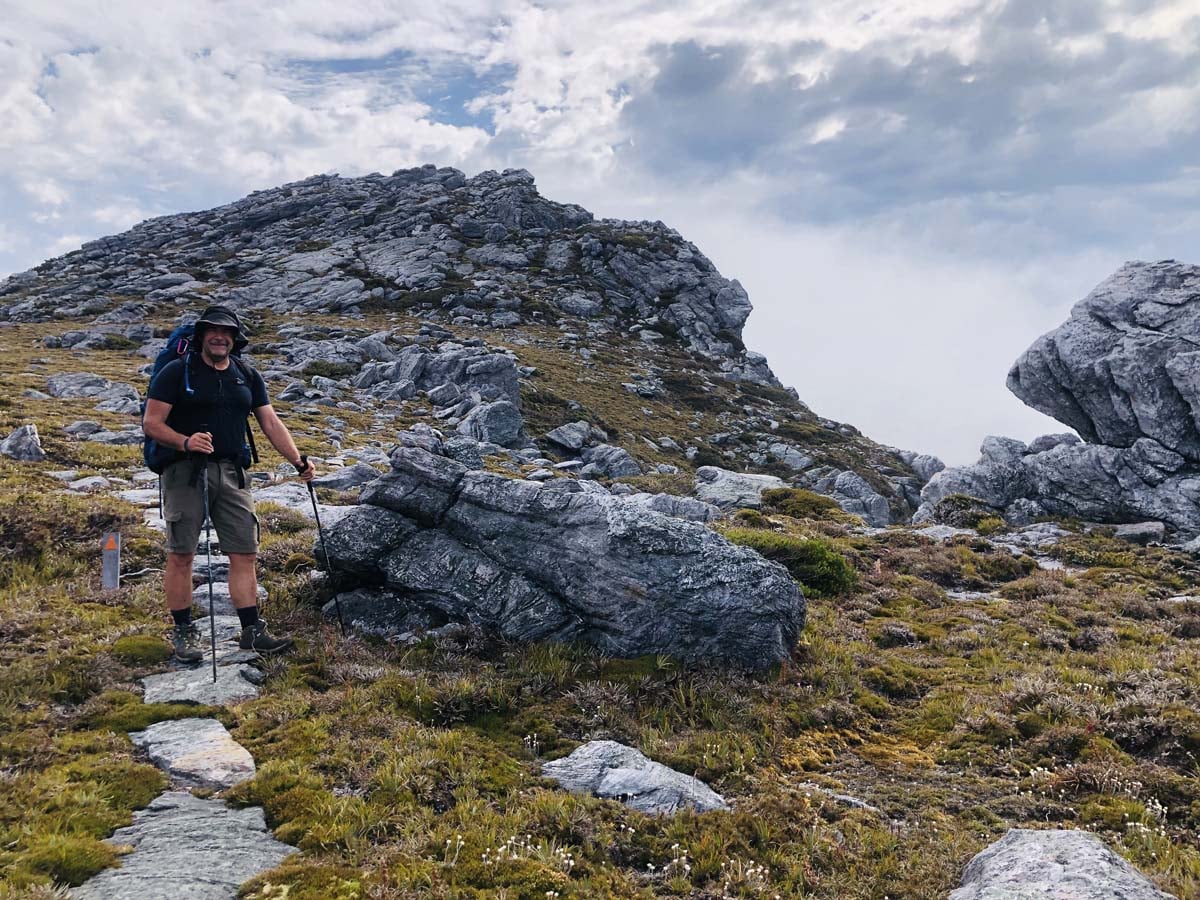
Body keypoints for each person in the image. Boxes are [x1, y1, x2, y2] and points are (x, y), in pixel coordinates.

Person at [142, 305, 315, 663]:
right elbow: (152, 423)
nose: (220, 337)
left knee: (245, 552)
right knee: (182, 554)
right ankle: (184, 632)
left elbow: (269, 422)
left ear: (235, 339)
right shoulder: (177, 372)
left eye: (227, 332)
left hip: (233, 473)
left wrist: (298, 461)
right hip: (184, 471)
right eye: (213, 331)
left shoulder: (246, 375)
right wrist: (186, 441)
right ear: (202, 336)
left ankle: (252, 632)